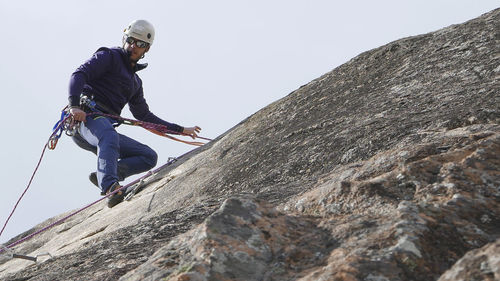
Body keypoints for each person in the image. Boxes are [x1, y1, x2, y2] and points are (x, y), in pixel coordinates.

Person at [68, 19, 201, 207]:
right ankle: (110, 188)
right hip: (85, 119)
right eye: (130, 40)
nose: (133, 46)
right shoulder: (109, 56)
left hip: (103, 128)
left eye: (140, 44)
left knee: (148, 156)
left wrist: (180, 129)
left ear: (147, 49)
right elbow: (79, 74)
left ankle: (106, 174)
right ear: (125, 38)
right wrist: (74, 106)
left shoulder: (135, 82)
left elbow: (144, 117)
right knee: (108, 134)